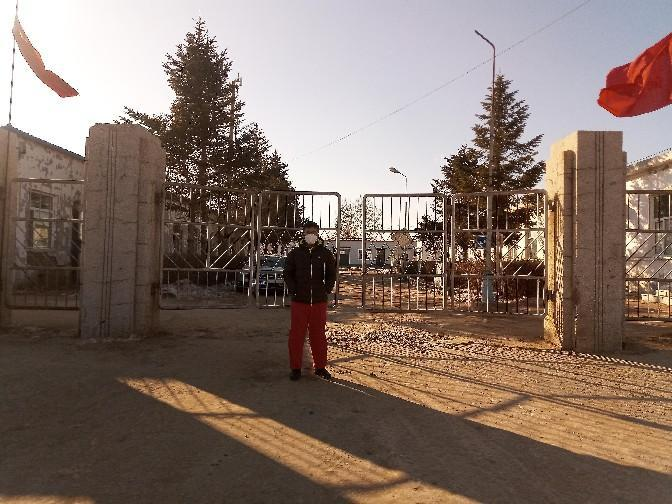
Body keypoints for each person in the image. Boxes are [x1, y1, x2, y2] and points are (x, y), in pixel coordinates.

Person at [283, 220, 336, 381]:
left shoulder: (325, 253)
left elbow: (331, 274)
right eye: (308, 232)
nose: (311, 235)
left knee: (318, 335)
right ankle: (295, 369)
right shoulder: (295, 253)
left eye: (313, 232)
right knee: (296, 336)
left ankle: (320, 367)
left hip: (319, 302)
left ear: (317, 234)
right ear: (303, 234)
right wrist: (294, 290)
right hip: (299, 301)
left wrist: (326, 289)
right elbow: (287, 273)